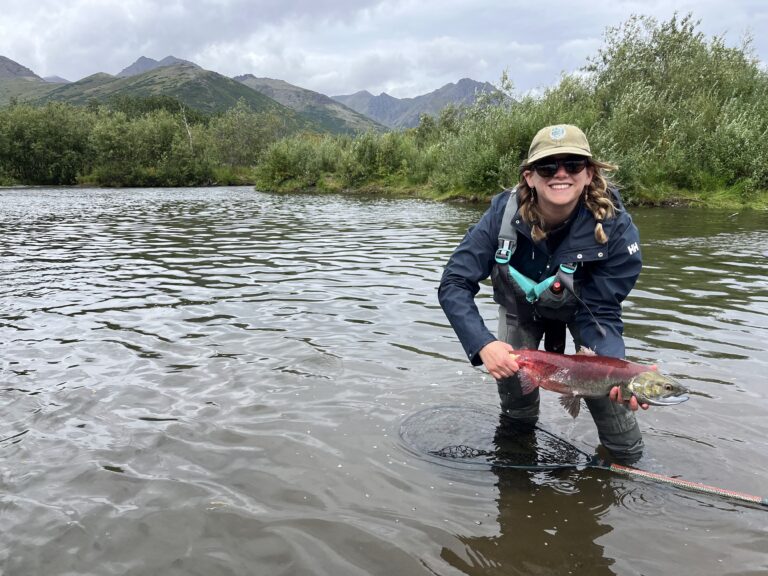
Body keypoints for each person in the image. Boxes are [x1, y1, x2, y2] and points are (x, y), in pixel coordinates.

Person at [438, 124, 646, 462]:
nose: (560, 174)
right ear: (529, 177)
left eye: (573, 165)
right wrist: (483, 344)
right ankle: (516, 455)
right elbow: (454, 284)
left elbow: (602, 311)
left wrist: (617, 371)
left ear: (589, 174)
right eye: (548, 167)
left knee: (606, 391)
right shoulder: (499, 217)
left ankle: (629, 463)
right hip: (520, 307)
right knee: (514, 390)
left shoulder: (617, 229)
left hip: (585, 313)